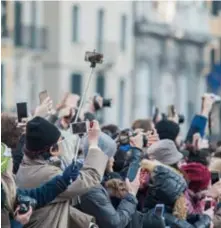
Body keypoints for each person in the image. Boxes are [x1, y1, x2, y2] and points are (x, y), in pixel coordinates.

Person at [15, 117, 110, 228]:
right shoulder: (48, 174)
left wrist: (87, 223)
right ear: (52, 150)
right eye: (61, 140)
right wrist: (93, 143)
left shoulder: (27, 165)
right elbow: (90, 177)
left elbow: (54, 207)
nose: (63, 142)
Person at [1, 142, 79, 228]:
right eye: (10, 160)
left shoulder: (6, 190)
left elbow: (37, 195)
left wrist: (64, 180)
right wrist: (18, 222)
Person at [141, 159, 212, 228]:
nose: (185, 199)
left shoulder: (158, 209)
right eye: (182, 194)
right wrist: (207, 219)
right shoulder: (163, 216)